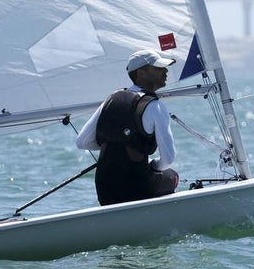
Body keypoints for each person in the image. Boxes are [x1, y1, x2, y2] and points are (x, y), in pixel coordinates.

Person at [76, 49, 180, 206]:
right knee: (171, 176)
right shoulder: (155, 106)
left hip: (105, 190)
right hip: (136, 190)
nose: (165, 71)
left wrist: (117, 144)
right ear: (141, 73)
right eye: (158, 68)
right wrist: (152, 165)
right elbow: (168, 159)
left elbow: (82, 142)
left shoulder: (111, 99)